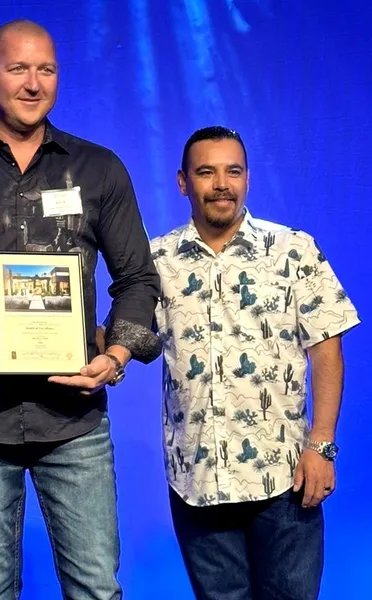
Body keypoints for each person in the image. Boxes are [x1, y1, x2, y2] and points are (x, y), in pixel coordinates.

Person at [0, 19, 160, 600]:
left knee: (96, 590)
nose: (34, 83)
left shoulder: (98, 168)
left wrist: (114, 357)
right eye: (18, 69)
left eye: (47, 69)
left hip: (73, 420)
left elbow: (138, 279)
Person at [150, 126, 360, 600]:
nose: (222, 183)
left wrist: (322, 445)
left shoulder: (293, 249)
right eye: (206, 172)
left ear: (247, 179)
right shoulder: (158, 260)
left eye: (233, 171)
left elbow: (327, 350)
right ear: (183, 182)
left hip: (286, 479)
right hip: (198, 483)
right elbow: (132, 338)